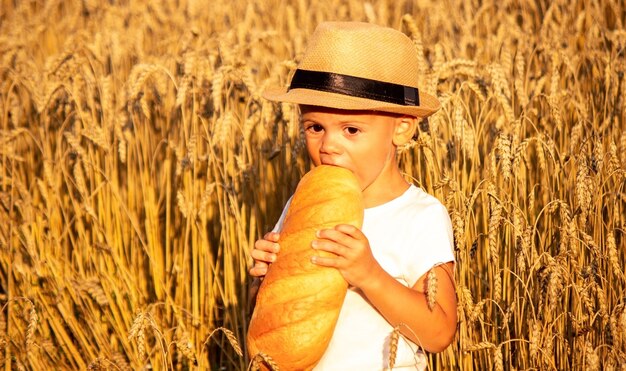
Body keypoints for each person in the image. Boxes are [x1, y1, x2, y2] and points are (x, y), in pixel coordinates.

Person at [249, 21, 457, 370]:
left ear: (402, 128)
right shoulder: (302, 204)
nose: (329, 146)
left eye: (351, 130)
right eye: (315, 127)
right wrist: (262, 282)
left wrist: (369, 275)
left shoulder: (420, 216)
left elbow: (439, 332)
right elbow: (271, 336)